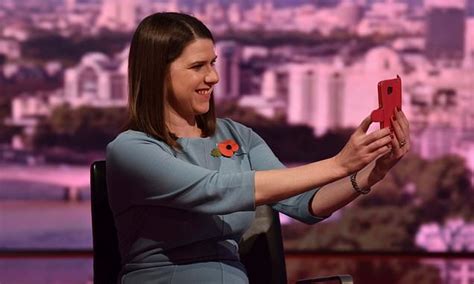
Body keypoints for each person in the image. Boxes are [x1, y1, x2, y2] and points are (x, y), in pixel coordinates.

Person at [106, 12, 411, 284]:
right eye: (198, 66)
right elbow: (213, 190)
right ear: (158, 73)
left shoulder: (236, 135)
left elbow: (304, 204)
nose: (213, 77)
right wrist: (339, 164)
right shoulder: (131, 150)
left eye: (213, 63)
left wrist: (373, 172)